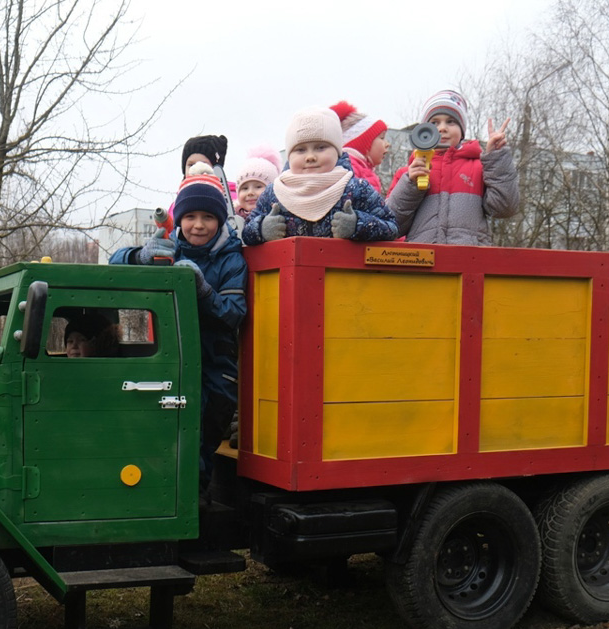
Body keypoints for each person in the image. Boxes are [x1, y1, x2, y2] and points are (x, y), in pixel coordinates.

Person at [110, 165, 247, 497]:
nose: (198, 225)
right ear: (179, 218)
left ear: (220, 221)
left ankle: (193, 506)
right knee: (163, 437)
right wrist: (139, 257)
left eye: (208, 217)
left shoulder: (232, 260)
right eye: (190, 216)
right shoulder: (170, 248)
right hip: (167, 364)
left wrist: (202, 291)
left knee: (200, 438)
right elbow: (114, 265)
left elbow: (234, 314)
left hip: (215, 368)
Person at [242, 107, 398, 244]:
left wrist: (357, 224)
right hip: (288, 276)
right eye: (300, 150)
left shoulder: (356, 189)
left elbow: (391, 228)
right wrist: (262, 229)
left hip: (343, 276)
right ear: (289, 156)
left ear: (337, 152)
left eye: (320, 147)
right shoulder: (274, 193)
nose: (310, 157)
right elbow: (246, 232)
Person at [386, 89, 519, 245]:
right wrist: (410, 185)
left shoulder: (479, 168)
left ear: (462, 131)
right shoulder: (408, 173)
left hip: (469, 261)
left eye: (451, 121)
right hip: (421, 261)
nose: (442, 128)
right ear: (424, 131)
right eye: (434, 122)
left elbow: (505, 208)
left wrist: (496, 158)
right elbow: (391, 224)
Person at [330, 100, 390, 194]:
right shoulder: (349, 168)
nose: (387, 144)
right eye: (382, 138)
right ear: (364, 143)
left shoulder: (363, 169)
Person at [234, 146, 280, 220]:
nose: (250, 192)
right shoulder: (231, 219)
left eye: (258, 187)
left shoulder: (281, 215)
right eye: (245, 188)